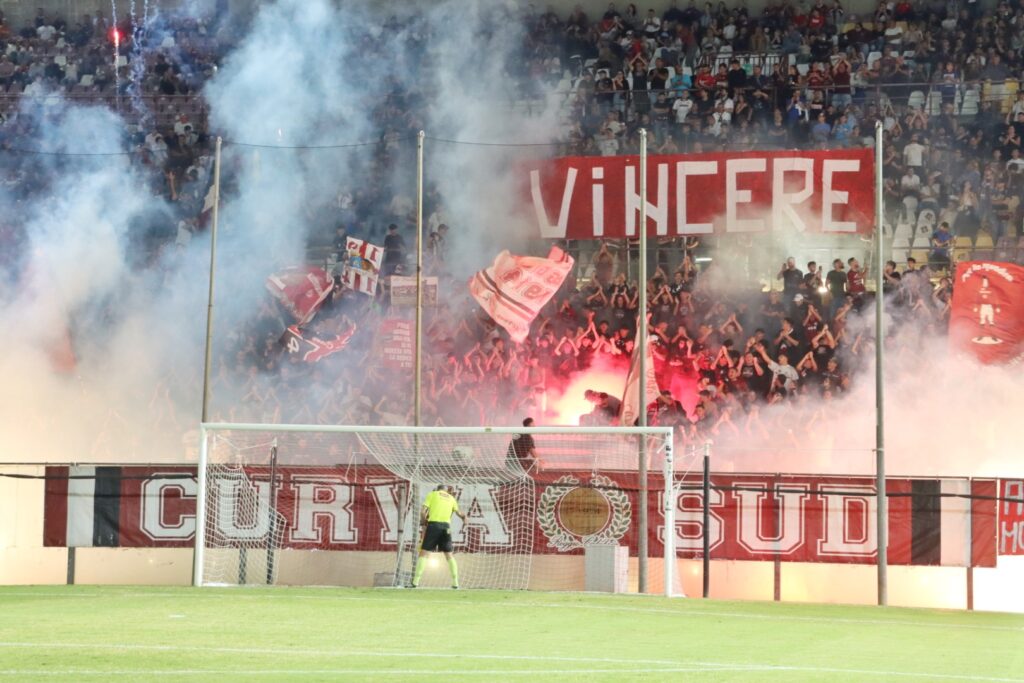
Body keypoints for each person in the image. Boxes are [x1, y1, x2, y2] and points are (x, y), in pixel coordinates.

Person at [411, 484, 467, 589]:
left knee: (424, 554)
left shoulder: (432, 494)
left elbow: (423, 512)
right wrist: (465, 518)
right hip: (446, 527)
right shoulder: (451, 498)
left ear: (438, 489)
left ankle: (415, 582)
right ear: (446, 491)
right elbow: (460, 514)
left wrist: (423, 522)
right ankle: (455, 583)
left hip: (434, 526)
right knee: (449, 555)